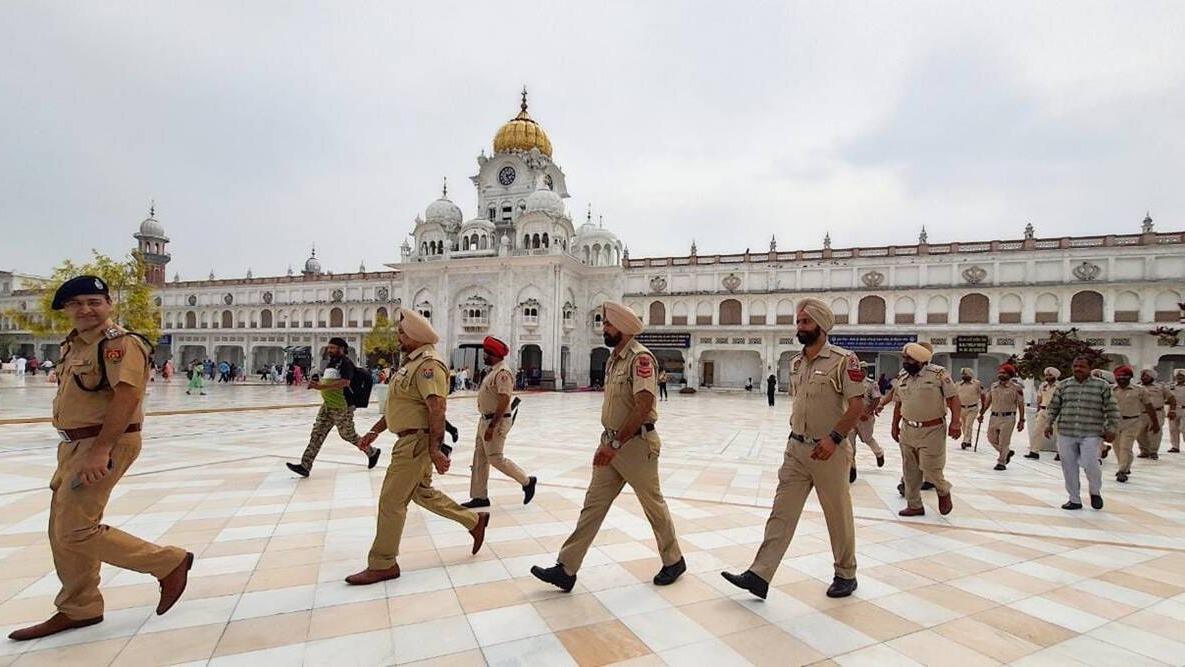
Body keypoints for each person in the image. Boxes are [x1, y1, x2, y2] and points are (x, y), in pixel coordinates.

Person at [8, 276, 192, 642]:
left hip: (102, 444)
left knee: (76, 530)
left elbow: (126, 398)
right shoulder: (75, 345)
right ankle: (80, 607)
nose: (86, 309)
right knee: (61, 529)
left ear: (109, 304)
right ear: (66, 310)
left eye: (94, 301)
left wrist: (101, 451)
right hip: (74, 446)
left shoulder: (120, 344)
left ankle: (168, 562)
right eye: (77, 304)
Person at [532, 302, 685, 592]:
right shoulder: (615, 358)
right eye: (604, 324)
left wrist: (614, 444)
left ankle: (674, 560)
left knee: (653, 505)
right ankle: (566, 568)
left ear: (624, 328)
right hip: (612, 443)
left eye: (608, 325)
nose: (604, 328)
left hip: (636, 445)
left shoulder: (640, 359)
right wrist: (608, 442)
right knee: (593, 506)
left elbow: (643, 406)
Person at [721, 298, 862, 600]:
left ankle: (846, 573)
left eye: (806, 322)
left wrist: (834, 438)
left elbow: (858, 406)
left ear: (821, 327)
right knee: (781, 513)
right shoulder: (796, 362)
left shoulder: (842, 360)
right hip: (797, 449)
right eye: (798, 322)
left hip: (830, 451)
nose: (800, 327)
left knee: (837, 514)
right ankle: (760, 574)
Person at [346, 309, 488, 586]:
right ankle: (473, 521)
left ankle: (383, 563)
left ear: (414, 336)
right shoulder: (410, 365)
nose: (398, 337)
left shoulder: (428, 365)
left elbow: (437, 408)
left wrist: (436, 449)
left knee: (391, 501)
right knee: (421, 493)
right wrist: (374, 432)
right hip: (409, 440)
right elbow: (400, 405)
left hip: (415, 443)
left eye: (401, 333)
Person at [286, 338, 381, 477]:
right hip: (328, 406)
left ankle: (372, 452)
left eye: (333, 348)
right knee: (317, 434)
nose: (329, 350)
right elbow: (330, 380)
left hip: (341, 406)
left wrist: (322, 387)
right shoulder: (332, 363)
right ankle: (305, 466)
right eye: (329, 347)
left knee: (348, 435)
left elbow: (345, 382)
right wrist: (318, 382)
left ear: (341, 349)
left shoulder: (346, 363)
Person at [461, 336, 537, 508]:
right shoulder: (494, 370)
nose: (484, 356)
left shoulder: (502, 373)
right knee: (480, 458)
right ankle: (480, 496)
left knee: (495, 458)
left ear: (493, 355)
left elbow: (504, 401)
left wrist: (492, 426)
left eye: (486, 353)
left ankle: (526, 481)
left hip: (495, 422)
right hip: (485, 420)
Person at [892, 343, 959, 516]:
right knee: (910, 470)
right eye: (904, 358)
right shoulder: (902, 376)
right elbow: (898, 402)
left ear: (921, 361)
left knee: (931, 468)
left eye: (909, 359)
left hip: (933, 429)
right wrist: (894, 425)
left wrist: (956, 422)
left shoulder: (938, 374)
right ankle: (914, 505)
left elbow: (953, 398)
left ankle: (943, 491)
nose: (905, 361)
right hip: (908, 429)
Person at [1045, 356, 1119, 510]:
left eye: (1082, 366)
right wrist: (1048, 423)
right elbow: (1054, 407)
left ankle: (1095, 491)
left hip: (1091, 432)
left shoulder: (1102, 386)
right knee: (1068, 466)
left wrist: (1111, 428)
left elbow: (1112, 409)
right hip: (1066, 431)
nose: (1078, 369)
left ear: (1090, 368)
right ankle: (1074, 499)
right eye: (1075, 366)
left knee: (1091, 464)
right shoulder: (1064, 385)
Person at [1111, 365, 1158, 483]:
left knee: (1125, 446)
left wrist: (1155, 422)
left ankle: (1122, 470)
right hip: (1115, 421)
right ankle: (1125, 466)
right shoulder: (1110, 390)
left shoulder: (1139, 390)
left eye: (1124, 376)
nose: (1121, 378)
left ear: (1130, 377)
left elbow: (1149, 406)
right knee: (1117, 447)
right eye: (1119, 376)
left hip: (1132, 421)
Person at [980, 363, 1025, 470]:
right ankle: (1007, 452)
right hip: (994, 416)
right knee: (991, 438)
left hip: (1008, 417)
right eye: (1000, 372)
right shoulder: (993, 386)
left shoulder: (1016, 387)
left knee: (1004, 440)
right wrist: (981, 413)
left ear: (1010, 374)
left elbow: (1021, 404)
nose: (1001, 374)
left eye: (1004, 373)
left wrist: (1021, 419)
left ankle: (1002, 462)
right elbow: (988, 401)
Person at [847, 362, 885, 484]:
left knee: (867, 438)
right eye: (859, 370)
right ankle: (851, 468)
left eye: (863, 370)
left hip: (865, 418)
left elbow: (876, 398)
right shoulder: (850, 382)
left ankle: (879, 453)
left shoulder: (871, 384)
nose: (860, 372)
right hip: (852, 417)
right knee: (849, 442)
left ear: (866, 371)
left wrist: (868, 412)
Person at [1136, 369, 1176, 460]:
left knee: (1155, 432)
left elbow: (1172, 398)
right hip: (1141, 413)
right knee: (1139, 433)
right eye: (1143, 376)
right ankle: (1144, 451)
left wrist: (1172, 410)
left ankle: (1153, 451)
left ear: (1152, 377)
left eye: (1146, 376)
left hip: (1157, 412)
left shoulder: (1161, 387)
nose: (1144, 378)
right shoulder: (1137, 387)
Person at [1026, 368, 1061, 459]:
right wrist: (1038, 410)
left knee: (1058, 432)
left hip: (1056, 412)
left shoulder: (1060, 386)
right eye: (1047, 375)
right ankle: (1034, 451)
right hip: (1043, 410)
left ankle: (1060, 453)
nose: (1048, 377)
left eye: (1050, 375)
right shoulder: (1043, 386)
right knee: (1037, 431)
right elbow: (1039, 398)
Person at [954, 368, 985, 450]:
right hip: (961, 408)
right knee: (964, 425)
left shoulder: (976, 384)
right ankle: (968, 440)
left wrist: (983, 407)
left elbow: (982, 395)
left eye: (966, 374)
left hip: (972, 408)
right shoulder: (958, 384)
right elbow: (954, 396)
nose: (964, 376)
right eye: (963, 375)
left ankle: (965, 441)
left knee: (968, 424)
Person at [1169, 370, 1185, 453]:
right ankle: (1175, 446)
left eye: (1182, 376)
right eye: (1178, 376)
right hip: (1174, 409)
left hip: (1184, 410)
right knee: (1173, 429)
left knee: (1183, 428)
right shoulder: (1171, 386)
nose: (1180, 378)